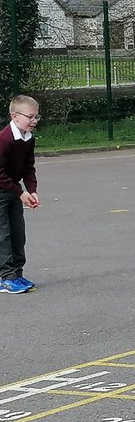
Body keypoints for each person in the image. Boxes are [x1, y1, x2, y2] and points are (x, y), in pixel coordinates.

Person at [0, 95, 41, 293]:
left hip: (13, 190)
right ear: (14, 116)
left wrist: (32, 191)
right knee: (3, 235)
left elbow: (28, 167)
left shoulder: (28, 138)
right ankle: (6, 278)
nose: (34, 121)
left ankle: (17, 273)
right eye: (30, 117)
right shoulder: (5, 139)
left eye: (36, 117)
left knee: (18, 233)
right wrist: (20, 193)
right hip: (2, 190)